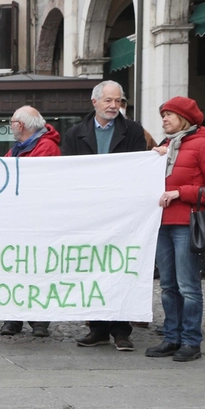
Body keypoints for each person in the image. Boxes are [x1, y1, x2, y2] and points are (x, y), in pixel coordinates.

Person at [62, 80, 149, 350]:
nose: (114, 106)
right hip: (89, 213)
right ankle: (97, 327)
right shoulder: (75, 133)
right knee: (92, 267)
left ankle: (122, 330)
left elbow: (139, 168)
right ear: (95, 102)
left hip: (122, 213)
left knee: (120, 268)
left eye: (118, 101)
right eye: (108, 100)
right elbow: (67, 173)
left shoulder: (134, 132)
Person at [146, 98, 205, 363]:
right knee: (168, 286)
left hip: (186, 224)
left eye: (169, 115)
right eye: (163, 115)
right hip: (162, 224)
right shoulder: (165, 146)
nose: (164, 120)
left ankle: (191, 341)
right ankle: (172, 337)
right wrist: (152, 160)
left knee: (188, 286)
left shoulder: (204, 145)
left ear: (184, 118)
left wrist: (181, 192)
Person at [0, 106, 60, 338]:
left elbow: (37, 183)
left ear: (20, 125)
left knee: (37, 269)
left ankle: (39, 319)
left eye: (12, 121)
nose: (11, 125)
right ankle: (13, 317)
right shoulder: (18, 149)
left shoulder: (46, 148)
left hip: (39, 220)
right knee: (15, 268)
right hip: (18, 219)